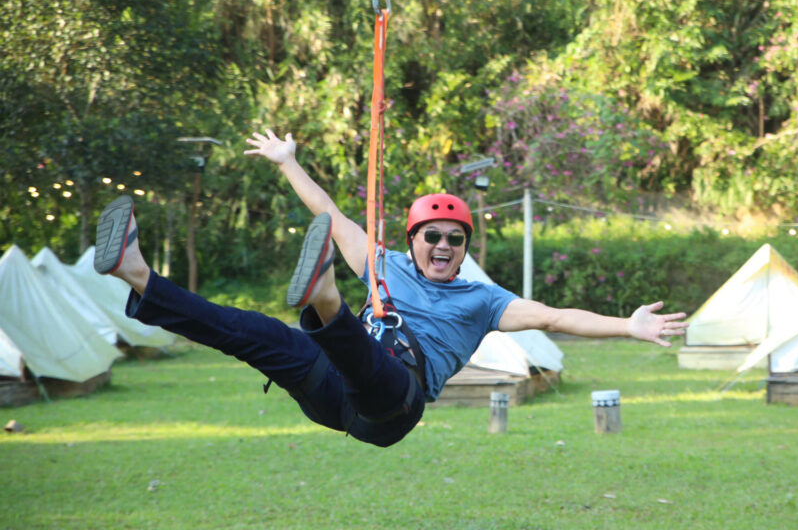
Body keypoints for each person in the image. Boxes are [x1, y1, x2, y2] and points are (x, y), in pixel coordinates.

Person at [92, 129, 688, 447]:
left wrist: (627, 325)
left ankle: (324, 296)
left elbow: (555, 317)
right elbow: (328, 211)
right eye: (433, 236)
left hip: (391, 405)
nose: (444, 246)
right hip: (329, 390)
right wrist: (287, 161)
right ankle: (135, 272)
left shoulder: (484, 301)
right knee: (248, 331)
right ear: (414, 239)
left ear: (465, 247)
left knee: (368, 356)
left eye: (455, 239)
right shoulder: (386, 265)